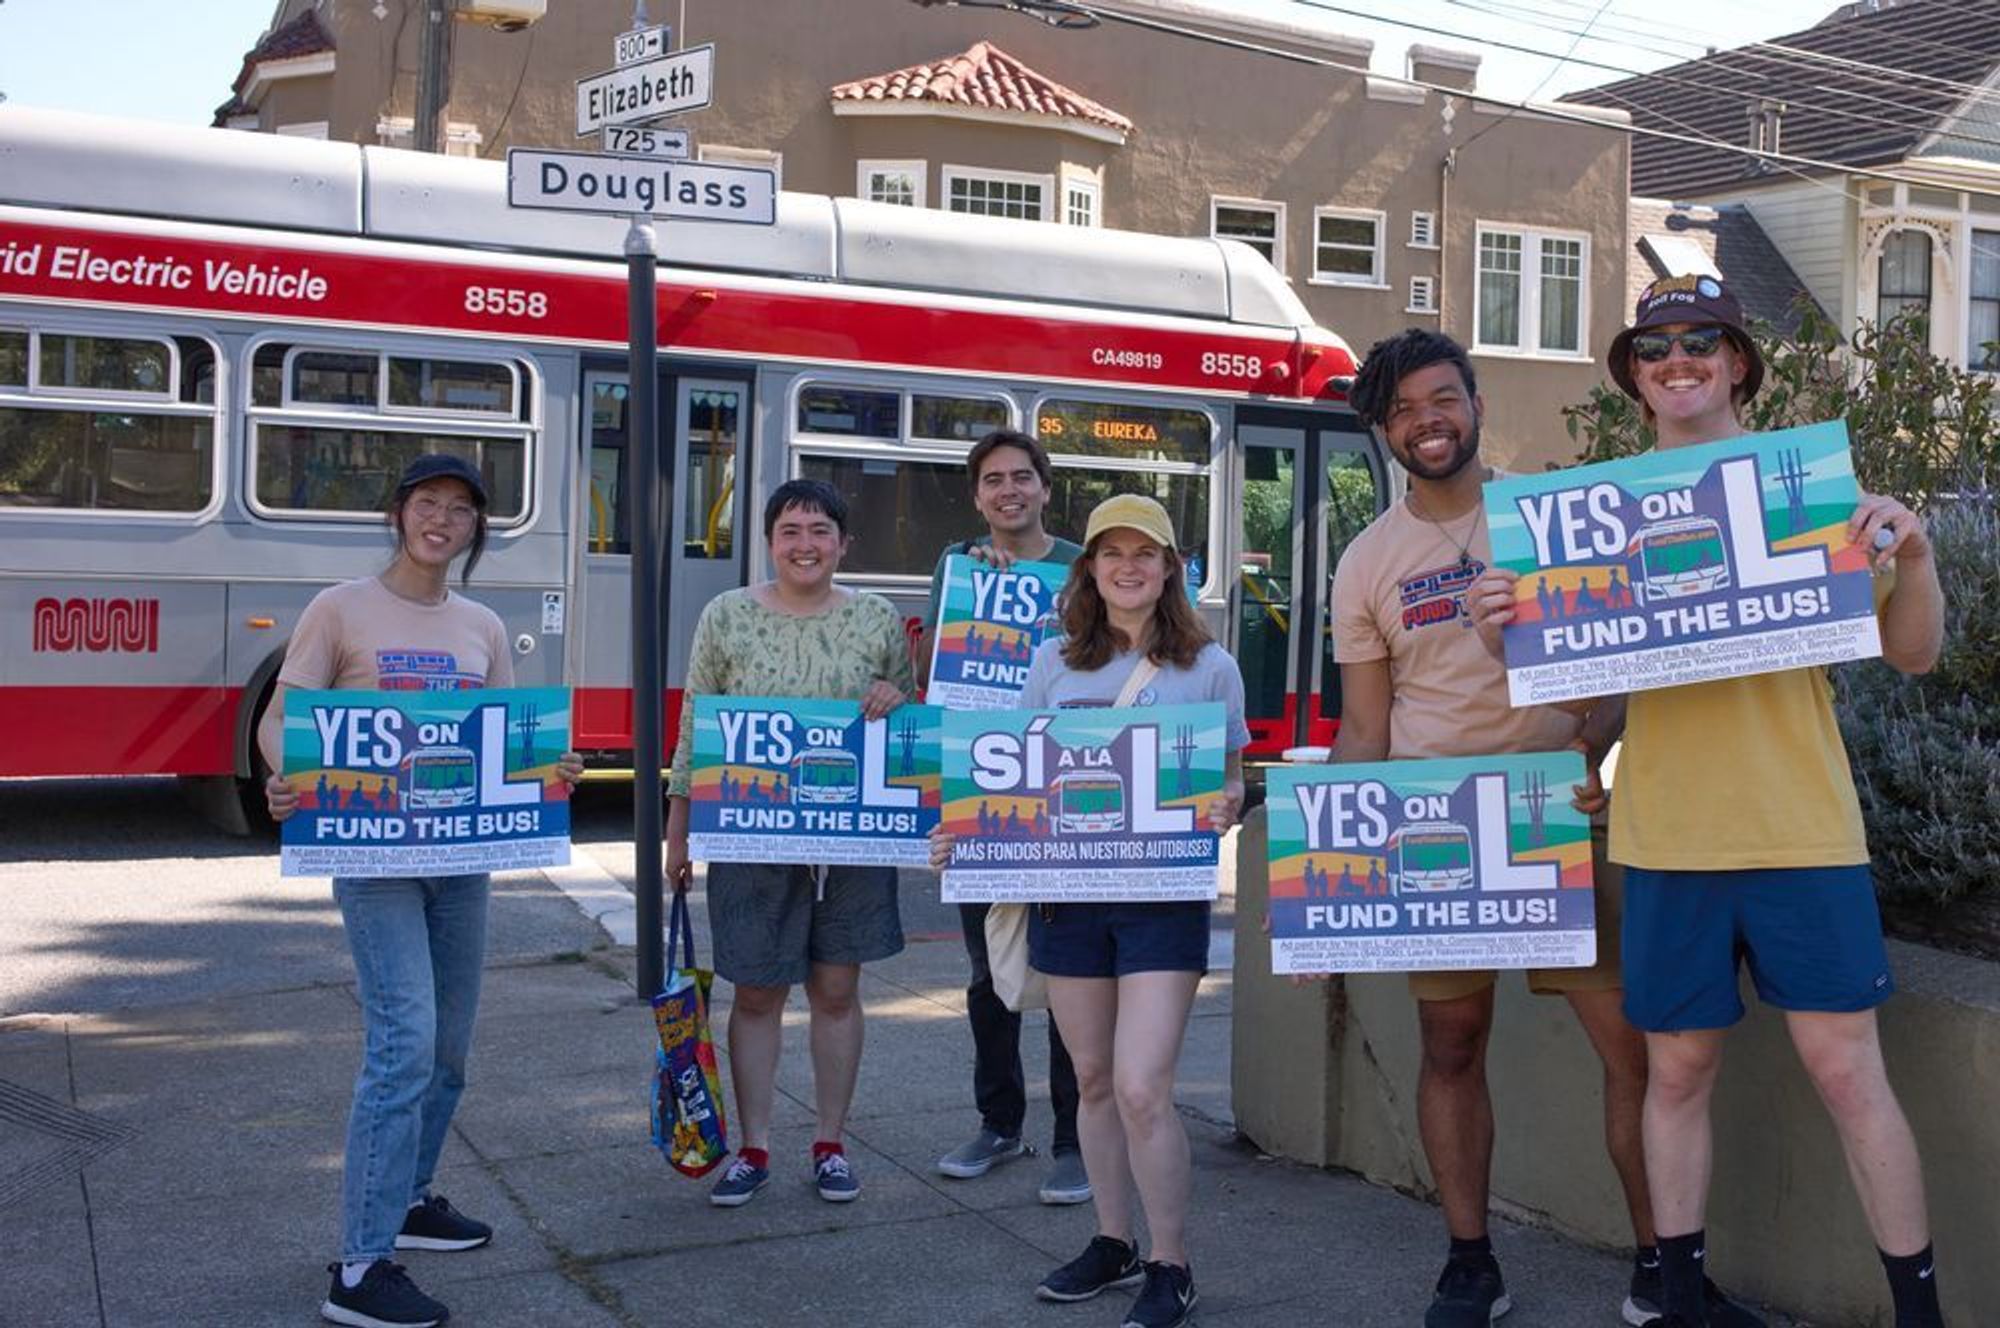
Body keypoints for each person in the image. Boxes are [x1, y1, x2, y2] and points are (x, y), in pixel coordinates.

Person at [1471, 277, 1948, 1328]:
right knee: (1674, 1074)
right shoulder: (1589, 516)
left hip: (1798, 828)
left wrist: (1911, 553)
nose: (1675, 358)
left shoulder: (1806, 492)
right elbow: (1566, 687)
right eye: (1653, 347)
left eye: (1699, 340)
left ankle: (1919, 1312)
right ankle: (1673, 1302)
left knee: (1846, 1074)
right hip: (1667, 836)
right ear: (1632, 374)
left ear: (1737, 360)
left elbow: (1913, 653)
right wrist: (1495, 624)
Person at [1331, 330, 1668, 1327]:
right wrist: (1330, 880)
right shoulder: (1365, 561)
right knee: (1449, 1043)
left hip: (1561, 813)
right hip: (1437, 825)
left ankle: (1663, 1262)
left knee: (1632, 1049)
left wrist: (1589, 747)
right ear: (1381, 429)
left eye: (1439, 398)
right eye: (1400, 409)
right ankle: (1469, 1259)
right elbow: (1361, 727)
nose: (1423, 420)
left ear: (1474, 403)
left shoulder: (1547, 519)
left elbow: (1613, 674)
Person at [260, 453, 583, 1328]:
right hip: (375, 862)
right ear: (399, 514)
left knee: (447, 1050)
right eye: (428, 503)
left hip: (461, 861)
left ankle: (410, 1199)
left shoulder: (482, 624)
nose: (443, 519)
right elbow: (282, 718)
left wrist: (551, 767)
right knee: (402, 1048)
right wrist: (280, 776)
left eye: (461, 509)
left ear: (478, 529)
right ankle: (361, 1268)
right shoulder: (340, 607)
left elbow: (508, 743)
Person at [932, 494, 1247, 1328]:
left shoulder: (1210, 666)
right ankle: (1113, 1242)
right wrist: (961, 833)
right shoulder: (1052, 663)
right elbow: (1016, 775)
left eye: (1145, 553)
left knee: (1144, 1086)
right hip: (1067, 902)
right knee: (1096, 1082)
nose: (1128, 567)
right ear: (1091, 569)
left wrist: (1229, 804)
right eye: (1112, 553)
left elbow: (1234, 778)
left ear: (1171, 567)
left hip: (1160, 903)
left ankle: (1170, 1263)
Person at [666, 478, 914, 1209]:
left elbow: (904, 725)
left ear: (843, 543)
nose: (804, 544)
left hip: (851, 843)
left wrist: (898, 700)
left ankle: (831, 1143)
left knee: (837, 992)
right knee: (757, 992)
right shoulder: (726, 616)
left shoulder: (875, 621)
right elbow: (693, 730)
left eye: (819, 530)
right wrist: (678, 834)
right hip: (749, 836)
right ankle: (754, 1146)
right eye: (790, 530)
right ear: (769, 541)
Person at [921, 429, 1090, 1206]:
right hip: (981, 795)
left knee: (1066, 974)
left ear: (1046, 488)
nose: (1009, 491)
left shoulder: (1086, 568)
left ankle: (1073, 1139)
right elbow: (935, 676)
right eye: (993, 481)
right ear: (977, 495)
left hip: (1067, 793)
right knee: (989, 972)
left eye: (1023, 477)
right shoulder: (958, 568)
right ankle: (998, 1123)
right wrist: (974, 595)